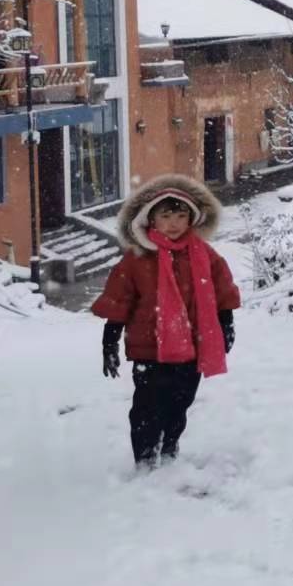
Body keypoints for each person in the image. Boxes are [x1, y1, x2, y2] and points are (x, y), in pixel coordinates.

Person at [91, 174, 240, 468]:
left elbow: (221, 289)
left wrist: (226, 323)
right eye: (166, 216)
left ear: (191, 220)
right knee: (147, 408)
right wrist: (110, 340)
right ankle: (146, 459)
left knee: (179, 404)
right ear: (151, 220)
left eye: (181, 216)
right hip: (150, 350)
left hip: (192, 348)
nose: (174, 223)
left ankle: (170, 444)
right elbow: (119, 300)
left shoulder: (203, 254)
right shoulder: (137, 259)